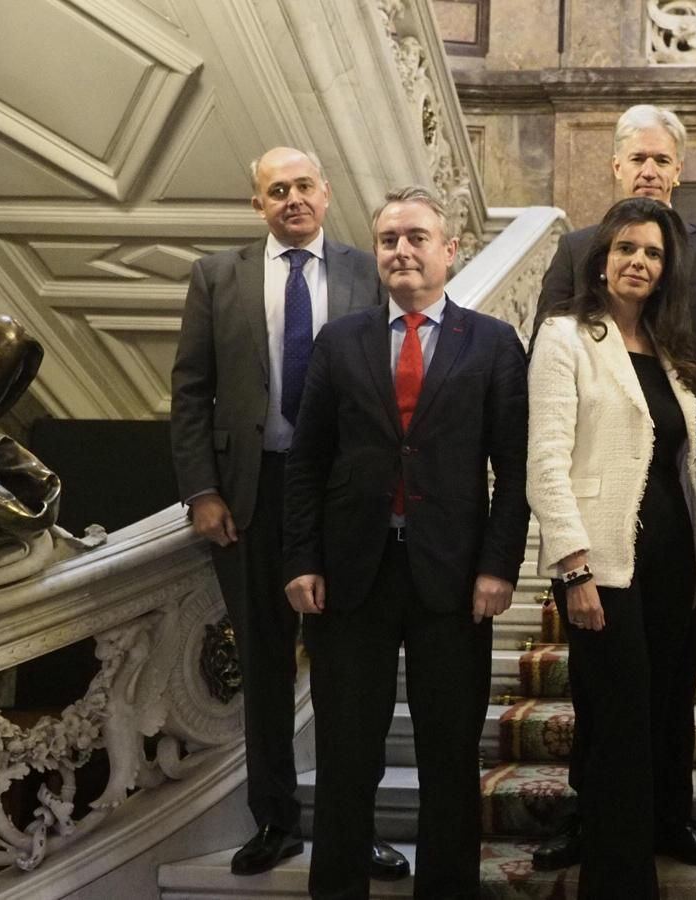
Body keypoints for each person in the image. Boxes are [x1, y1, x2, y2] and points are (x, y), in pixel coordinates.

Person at [282, 186, 529, 900]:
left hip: (453, 582)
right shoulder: (341, 341)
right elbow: (307, 460)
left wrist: (498, 566)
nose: (401, 250)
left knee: (449, 756)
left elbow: (511, 470)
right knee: (346, 756)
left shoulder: (492, 343)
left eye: (416, 237)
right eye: (388, 239)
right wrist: (300, 557)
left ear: (449, 250)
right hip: (351, 576)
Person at [168, 147, 406, 880]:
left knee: (350, 668)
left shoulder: (368, 272)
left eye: (304, 186)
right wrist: (203, 490)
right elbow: (190, 391)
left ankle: (351, 828)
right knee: (264, 665)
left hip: (346, 495)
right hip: (252, 494)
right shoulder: (218, 276)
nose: (292, 199)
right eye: (277, 190)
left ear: (327, 194)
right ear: (257, 205)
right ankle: (273, 820)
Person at [532, 103, 696, 872]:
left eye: (664, 160)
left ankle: (670, 817)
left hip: (677, 523)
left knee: (670, 689)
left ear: (680, 170)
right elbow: (549, 415)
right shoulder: (573, 266)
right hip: (604, 534)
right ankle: (591, 819)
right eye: (639, 159)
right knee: (607, 701)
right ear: (617, 167)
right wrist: (571, 557)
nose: (651, 170)